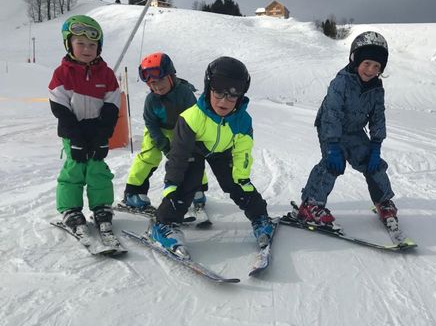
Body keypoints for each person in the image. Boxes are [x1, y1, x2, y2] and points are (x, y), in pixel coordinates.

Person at [148, 56, 274, 258]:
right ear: (208, 89)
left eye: (232, 96)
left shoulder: (242, 120)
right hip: (194, 150)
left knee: (238, 183)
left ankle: (260, 218)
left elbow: (243, 151)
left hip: (222, 151)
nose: (224, 101)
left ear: (240, 96)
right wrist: (171, 184)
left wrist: (241, 177)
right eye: (218, 92)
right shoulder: (192, 117)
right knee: (189, 180)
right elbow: (178, 155)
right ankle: (163, 225)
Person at [296, 31, 398, 228]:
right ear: (355, 60)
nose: (370, 70)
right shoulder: (341, 82)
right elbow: (331, 113)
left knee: (372, 163)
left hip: (354, 131)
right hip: (330, 128)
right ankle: (311, 204)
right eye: (367, 63)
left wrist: (376, 145)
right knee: (333, 164)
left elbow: (378, 116)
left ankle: (383, 202)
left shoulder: (377, 89)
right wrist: (333, 145)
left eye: (376, 66)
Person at [49, 15, 120, 236]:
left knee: (97, 169)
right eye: (80, 43)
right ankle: (71, 209)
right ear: (68, 44)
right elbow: (59, 108)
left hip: (97, 131)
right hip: (73, 132)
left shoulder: (107, 75)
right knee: (75, 169)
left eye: (92, 44)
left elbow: (111, 107)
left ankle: (101, 207)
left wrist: (102, 135)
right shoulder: (62, 74)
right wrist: (75, 136)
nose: (86, 48)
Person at [122, 52, 208, 213]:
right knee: (149, 156)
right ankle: (133, 192)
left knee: (192, 155)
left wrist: (185, 142)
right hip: (158, 129)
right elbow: (150, 122)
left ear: (171, 76)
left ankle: (197, 188)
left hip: (184, 128)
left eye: (160, 80)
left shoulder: (184, 93)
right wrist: (162, 143)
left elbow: (194, 117)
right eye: (152, 83)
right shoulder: (151, 100)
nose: (157, 86)